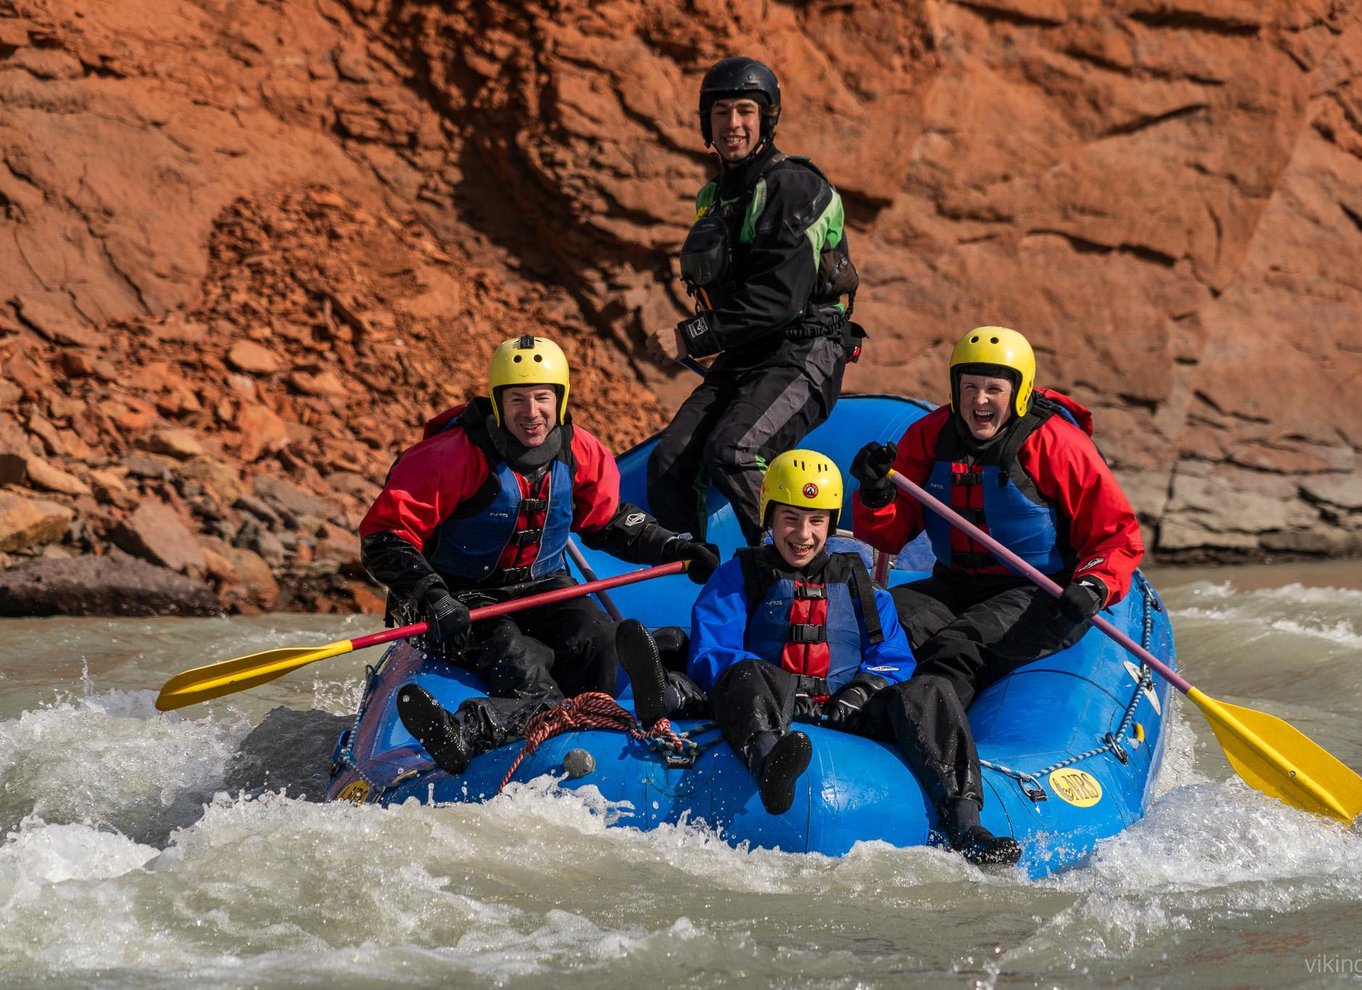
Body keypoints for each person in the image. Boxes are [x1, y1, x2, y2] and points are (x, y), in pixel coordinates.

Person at [850, 325, 1145, 866]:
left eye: (993, 389)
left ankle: (948, 785)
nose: (979, 401)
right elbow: (887, 534)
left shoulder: (1057, 444)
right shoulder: (929, 437)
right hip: (954, 581)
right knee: (875, 622)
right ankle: (852, 712)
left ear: (1019, 391)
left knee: (956, 647)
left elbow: (1116, 535)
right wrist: (875, 492)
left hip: (1038, 590)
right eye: (969, 388)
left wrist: (1094, 585)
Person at [359, 334, 719, 715]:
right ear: (497, 402)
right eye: (517, 399)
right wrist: (432, 596)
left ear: (560, 399)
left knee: (599, 643)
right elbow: (383, 538)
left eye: (542, 397)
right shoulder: (448, 457)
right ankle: (498, 726)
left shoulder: (581, 450)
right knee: (517, 658)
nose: (531, 412)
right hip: (458, 595)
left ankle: (598, 721)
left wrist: (674, 546)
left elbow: (608, 520)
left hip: (542, 588)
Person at [618, 449, 916, 821]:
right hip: (759, 697)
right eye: (790, 518)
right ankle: (764, 761)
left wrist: (860, 692)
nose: (803, 534)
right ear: (769, 517)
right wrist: (777, 687)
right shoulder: (737, 576)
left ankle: (966, 818)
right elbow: (714, 647)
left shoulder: (862, 588)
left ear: (831, 523)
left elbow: (892, 658)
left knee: (930, 691)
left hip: (840, 708)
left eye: (816, 521)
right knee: (743, 674)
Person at [645, 55, 862, 546]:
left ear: (767, 118)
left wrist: (689, 335)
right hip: (748, 354)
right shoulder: (715, 197)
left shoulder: (794, 186)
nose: (733, 124)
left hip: (806, 352)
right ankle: (694, 583)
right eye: (721, 112)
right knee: (668, 464)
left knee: (734, 450)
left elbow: (778, 300)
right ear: (708, 123)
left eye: (745, 110)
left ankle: (790, 576)